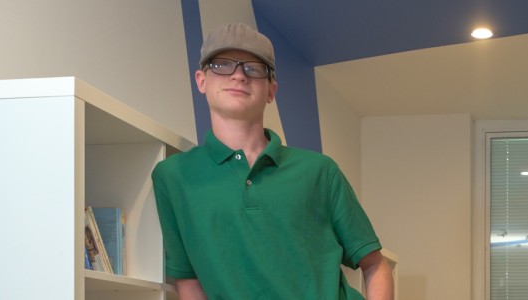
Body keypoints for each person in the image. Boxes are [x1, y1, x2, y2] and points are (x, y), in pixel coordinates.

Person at [151, 23, 393, 299]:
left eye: (254, 68)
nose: (239, 76)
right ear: (201, 80)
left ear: (271, 91)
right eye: (222, 65)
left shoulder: (320, 172)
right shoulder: (172, 177)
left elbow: (375, 264)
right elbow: (189, 284)